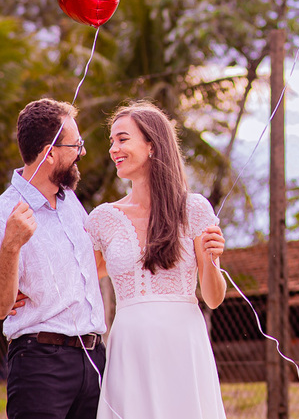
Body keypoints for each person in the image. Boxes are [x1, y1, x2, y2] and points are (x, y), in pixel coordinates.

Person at [85, 100, 227, 419]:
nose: (113, 149)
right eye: (112, 141)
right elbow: (80, 281)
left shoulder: (195, 209)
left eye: (122, 139)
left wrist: (212, 256)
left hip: (183, 342)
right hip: (129, 345)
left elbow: (214, 298)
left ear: (152, 145)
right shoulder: (103, 219)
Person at [0, 98, 107, 419]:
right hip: (41, 366)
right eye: (76, 144)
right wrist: (11, 247)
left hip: (94, 361)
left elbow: (89, 270)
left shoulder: (71, 203)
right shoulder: (1, 216)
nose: (82, 151)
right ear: (50, 153)